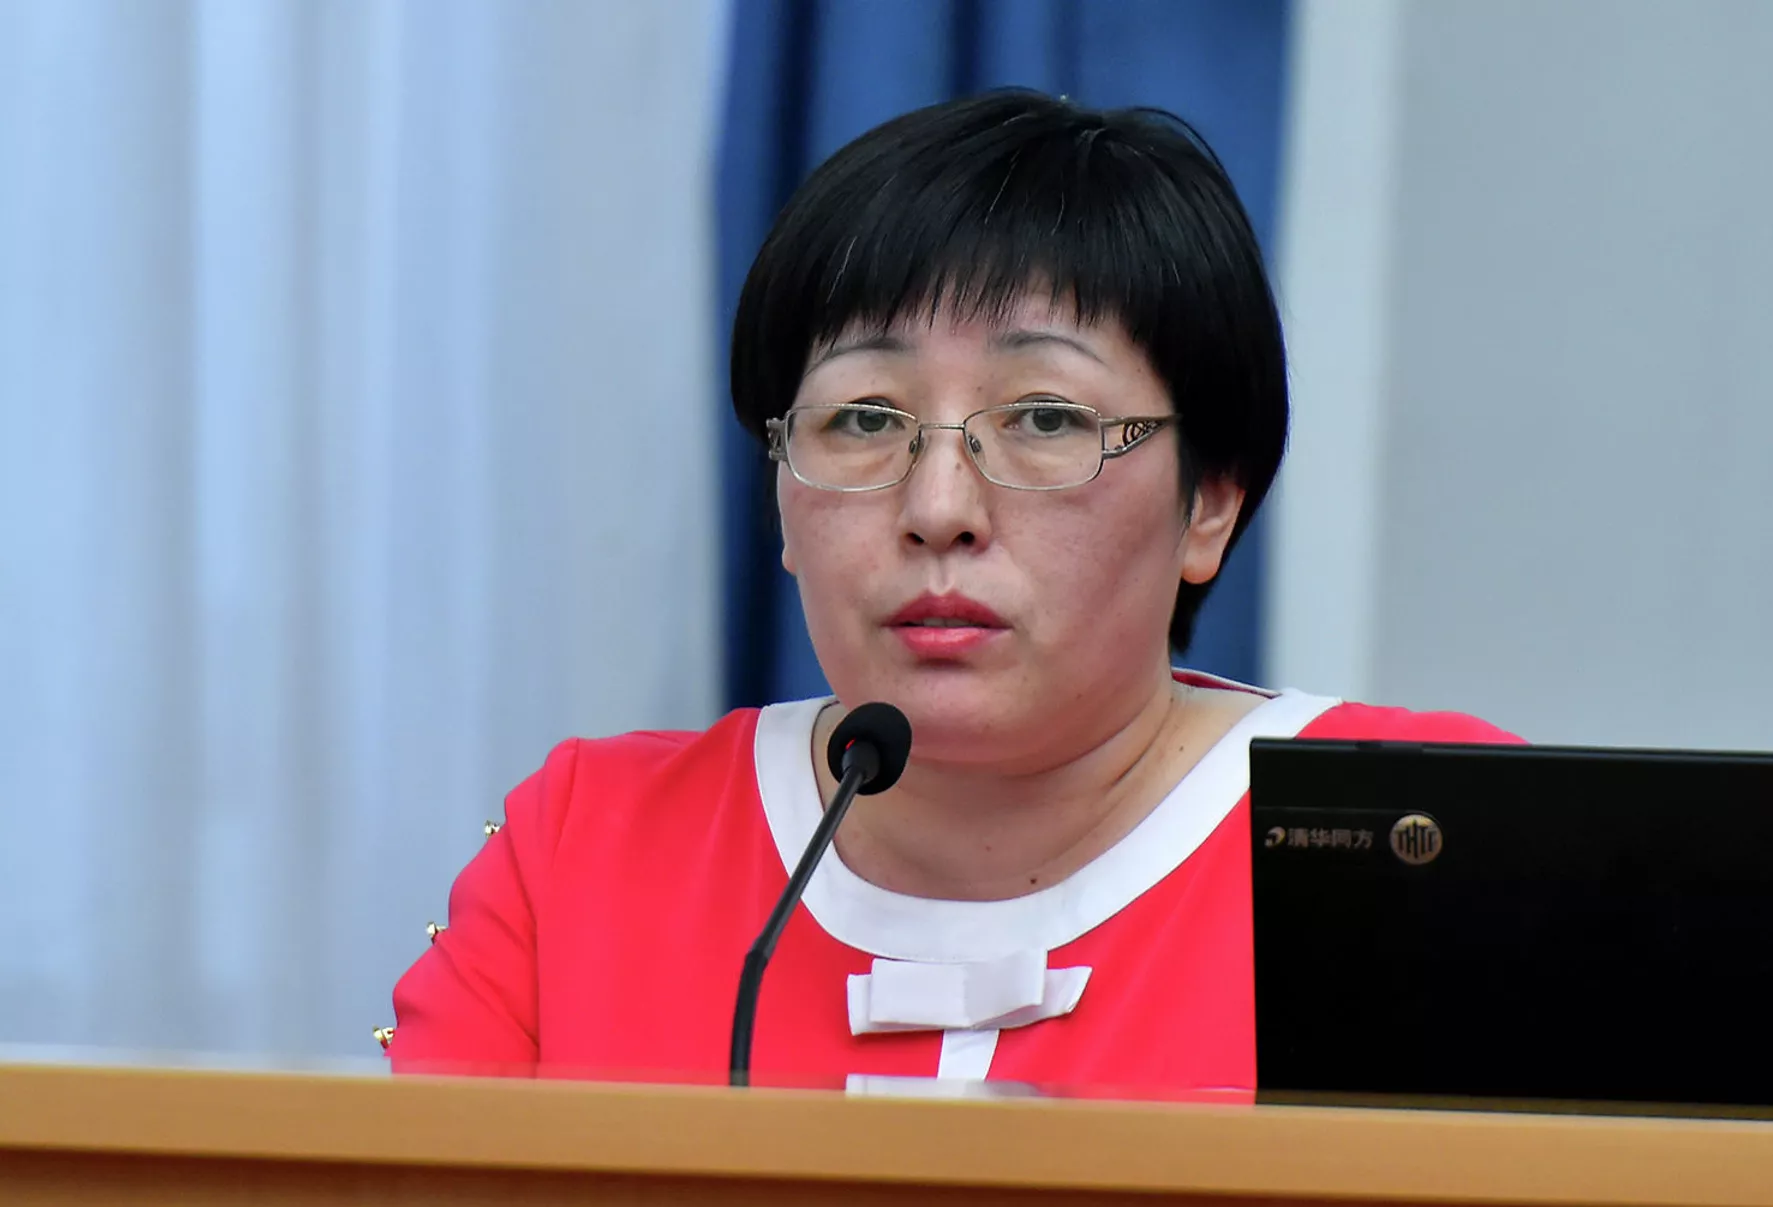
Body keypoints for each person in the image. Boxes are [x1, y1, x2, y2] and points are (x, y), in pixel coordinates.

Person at [383, 90, 1517, 1092]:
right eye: (864, 418)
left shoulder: (1426, 836)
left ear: (1209, 505)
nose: (938, 506)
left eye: (1045, 418)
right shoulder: (589, 849)